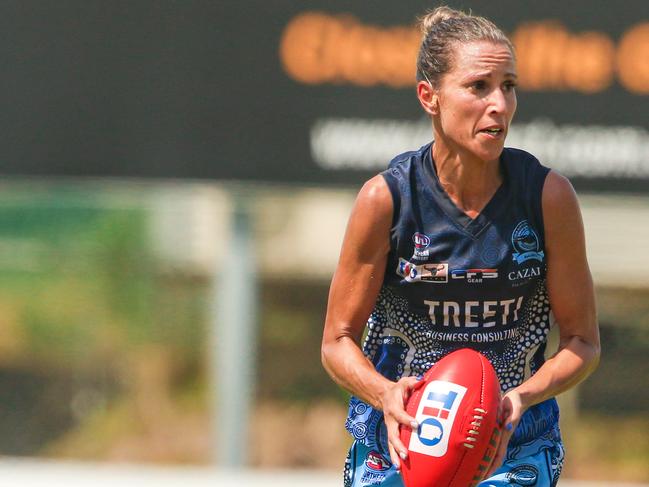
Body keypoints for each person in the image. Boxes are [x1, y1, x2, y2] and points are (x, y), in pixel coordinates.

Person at [321, 6, 600, 487]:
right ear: (429, 97)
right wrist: (385, 393)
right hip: (398, 446)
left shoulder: (547, 197)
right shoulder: (386, 199)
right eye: (479, 87)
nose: (500, 104)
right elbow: (336, 341)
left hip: (515, 446)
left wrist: (519, 398)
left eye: (508, 86)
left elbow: (584, 343)